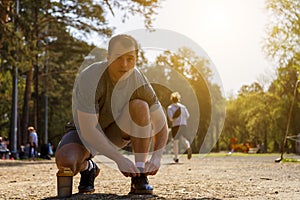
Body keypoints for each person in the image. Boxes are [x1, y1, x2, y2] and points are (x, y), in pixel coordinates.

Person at [55, 34, 168, 195]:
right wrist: (119, 159)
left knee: (140, 106)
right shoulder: (90, 77)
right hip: (85, 134)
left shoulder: (138, 78)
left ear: (136, 59)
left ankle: (139, 176)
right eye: (118, 58)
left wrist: (157, 157)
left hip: (115, 132)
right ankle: (89, 168)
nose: (124, 64)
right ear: (108, 57)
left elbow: (160, 121)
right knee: (66, 162)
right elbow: (89, 130)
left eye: (130, 59)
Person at [167, 92, 192, 163]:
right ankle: (188, 147)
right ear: (178, 99)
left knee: (175, 141)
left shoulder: (170, 108)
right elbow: (187, 116)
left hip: (176, 126)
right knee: (184, 139)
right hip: (183, 125)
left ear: (171, 99)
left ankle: (176, 157)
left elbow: (171, 118)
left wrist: (176, 118)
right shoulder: (183, 107)